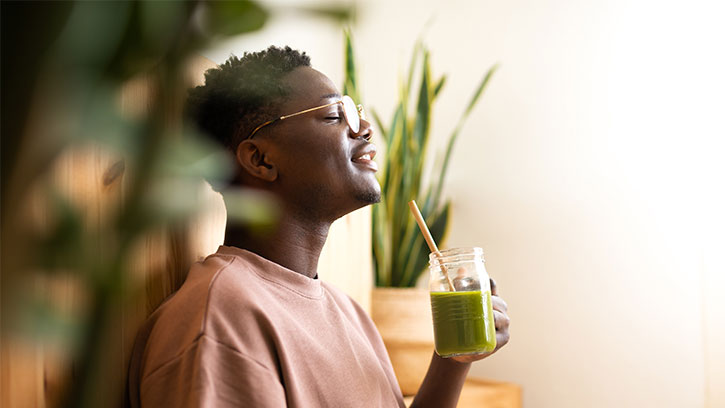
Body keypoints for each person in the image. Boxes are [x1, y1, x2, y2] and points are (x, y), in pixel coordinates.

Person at [126, 46, 510, 408]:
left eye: (353, 113)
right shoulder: (221, 321)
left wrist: (455, 361)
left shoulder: (350, 314)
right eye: (333, 115)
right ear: (260, 159)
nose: (365, 129)